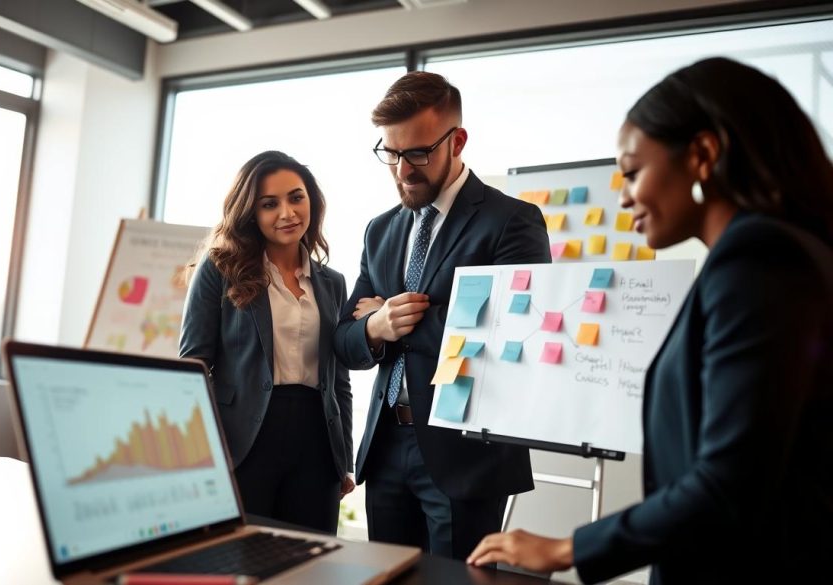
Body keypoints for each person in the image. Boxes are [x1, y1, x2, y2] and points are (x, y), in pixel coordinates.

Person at [467, 57, 833, 584]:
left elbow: (729, 480)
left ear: (703, 155)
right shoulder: (770, 255)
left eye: (633, 172)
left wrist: (568, 548)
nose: (622, 195)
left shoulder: (758, 260)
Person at [334, 71, 551, 560]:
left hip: (466, 454)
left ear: (458, 141)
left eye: (418, 153)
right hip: (386, 445)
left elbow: (510, 338)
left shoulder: (511, 221)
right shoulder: (380, 231)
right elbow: (345, 342)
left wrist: (398, 318)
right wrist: (374, 326)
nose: (402, 171)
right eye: (390, 153)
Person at [179, 151, 354, 533]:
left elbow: (339, 378)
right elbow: (191, 367)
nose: (287, 213)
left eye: (296, 197)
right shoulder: (220, 269)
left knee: (311, 558)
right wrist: (201, 455)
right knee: (242, 555)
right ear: (250, 213)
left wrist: (345, 460)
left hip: (317, 440)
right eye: (269, 204)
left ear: (312, 201)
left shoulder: (333, 283)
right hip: (243, 440)